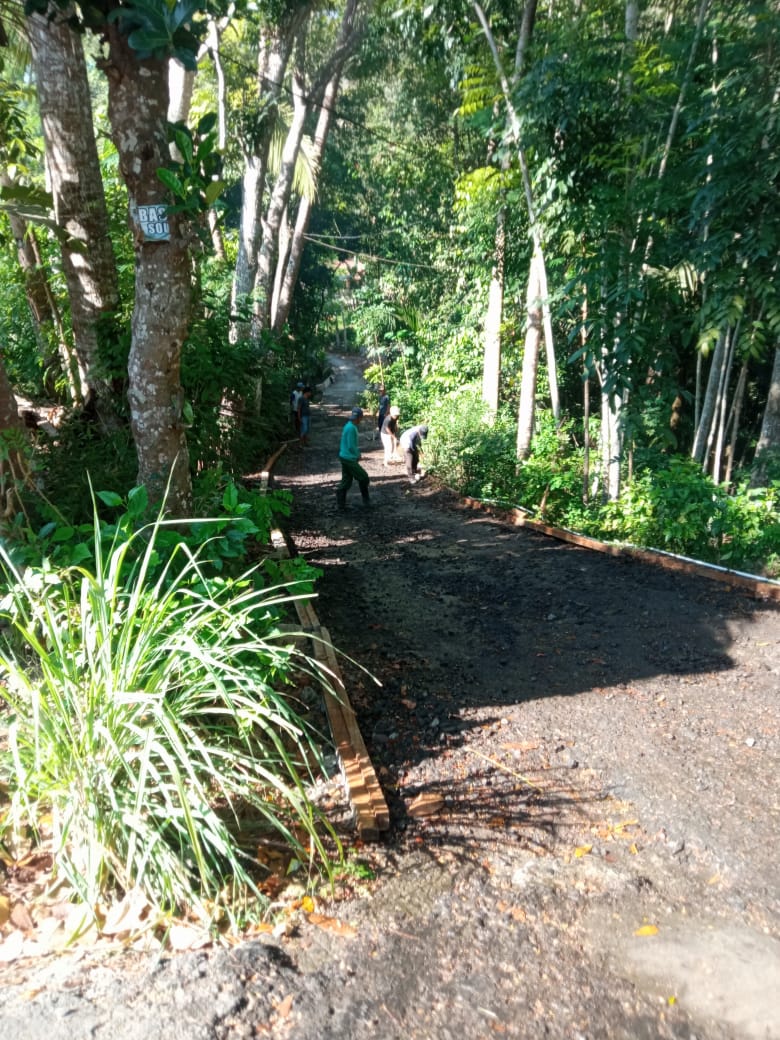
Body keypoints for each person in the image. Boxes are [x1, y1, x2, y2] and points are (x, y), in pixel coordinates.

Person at [336, 407, 371, 509]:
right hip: (348, 458)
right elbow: (351, 445)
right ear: (360, 417)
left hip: (344, 456)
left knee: (347, 480)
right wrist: (357, 455)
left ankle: (341, 504)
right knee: (363, 477)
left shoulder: (348, 425)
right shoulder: (351, 428)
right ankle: (366, 501)